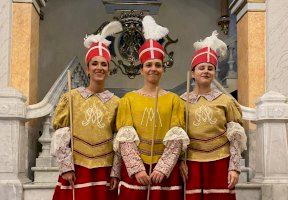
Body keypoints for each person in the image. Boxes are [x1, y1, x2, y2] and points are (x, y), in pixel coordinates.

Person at [113, 15, 189, 200]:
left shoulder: (174, 100)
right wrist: (137, 169)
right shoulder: (128, 100)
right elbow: (125, 139)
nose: (153, 68)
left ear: (163, 68)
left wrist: (163, 168)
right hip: (137, 172)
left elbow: (176, 139)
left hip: (164, 172)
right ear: (141, 69)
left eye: (157, 65)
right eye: (148, 65)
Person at [50, 21, 122, 200]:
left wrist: (115, 172)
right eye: (95, 63)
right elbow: (60, 132)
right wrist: (66, 167)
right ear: (88, 68)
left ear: (108, 69)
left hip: (104, 169)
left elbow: (119, 140)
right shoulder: (71, 97)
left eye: (104, 64)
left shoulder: (116, 102)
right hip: (76, 168)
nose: (99, 67)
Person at [180, 31, 247, 200]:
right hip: (192, 162)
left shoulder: (226, 101)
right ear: (193, 72)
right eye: (201, 68)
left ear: (215, 73)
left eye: (210, 68)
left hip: (220, 161)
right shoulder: (181, 101)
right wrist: (180, 161)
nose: (206, 71)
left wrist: (234, 167)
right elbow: (178, 136)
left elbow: (236, 137)